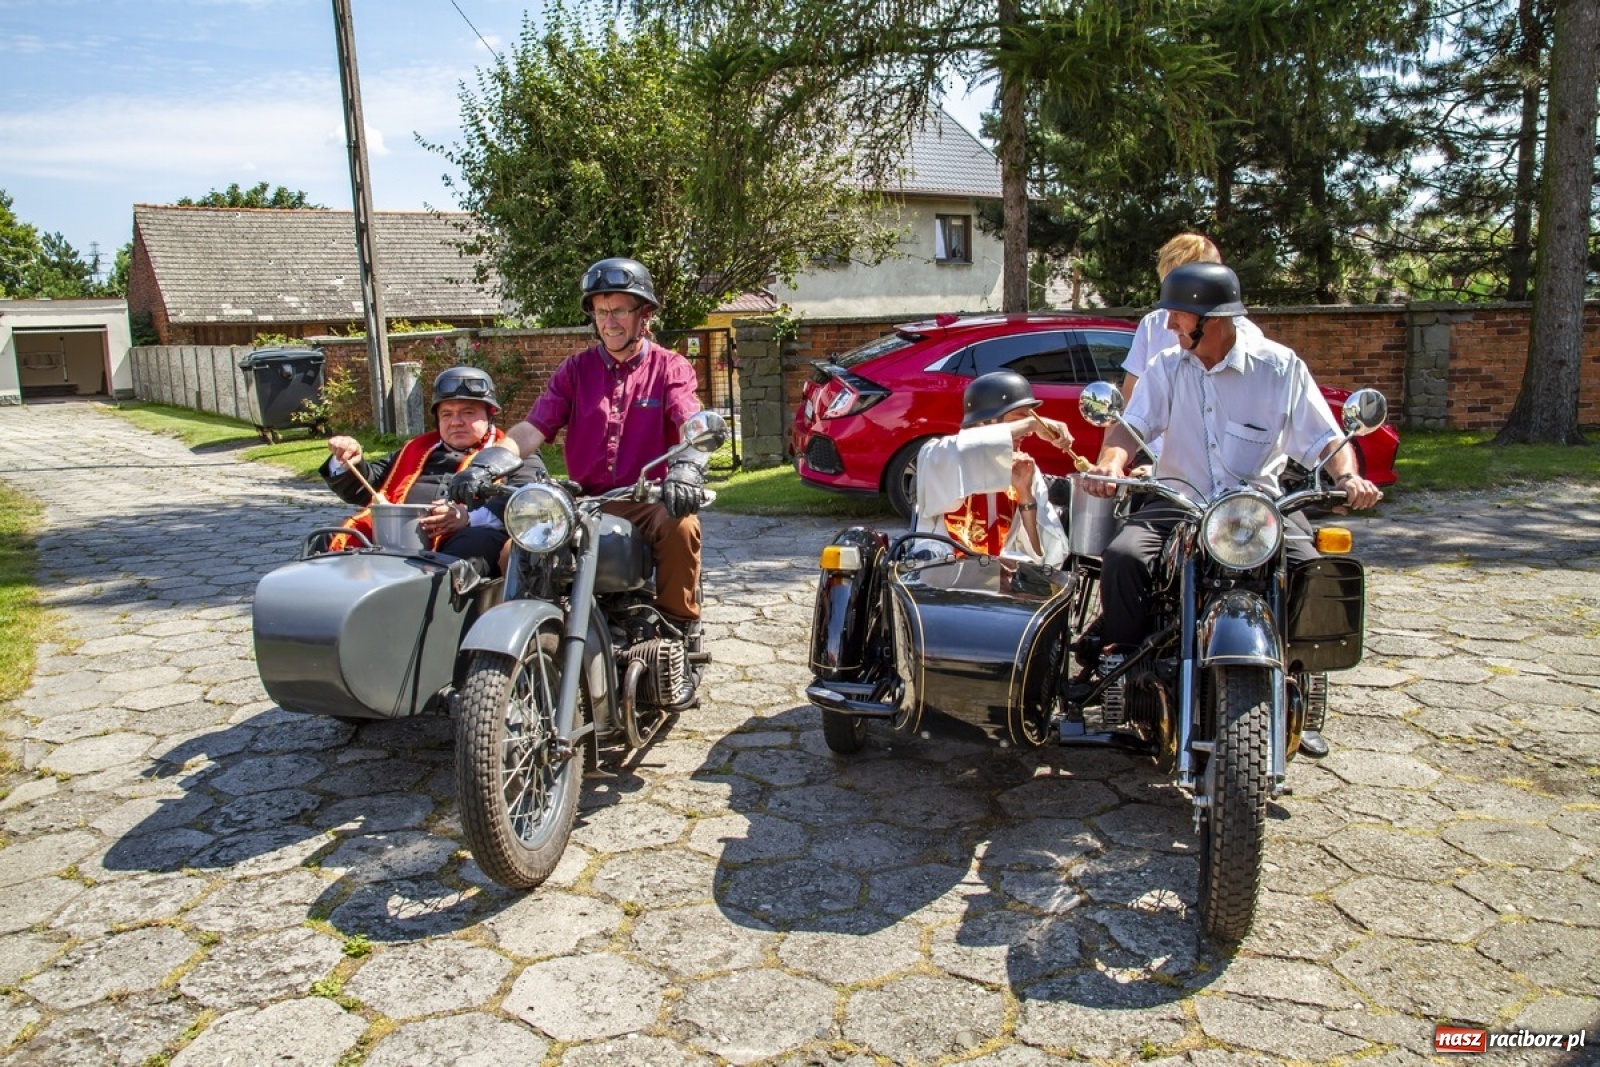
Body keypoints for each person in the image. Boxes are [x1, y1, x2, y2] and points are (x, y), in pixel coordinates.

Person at [1083, 263, 1382, 757]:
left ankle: (1296, 683)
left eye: (1179, 317)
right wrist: (1110, 465)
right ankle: (1131, 672)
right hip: (1179, 500)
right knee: (1124, 558)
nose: (1172, 326)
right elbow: (1130, 429)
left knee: (1314, 569)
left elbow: (1325, 439)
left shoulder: (1279, 367)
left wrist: (1347, 477)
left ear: (1212, 318)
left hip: (1256, 506)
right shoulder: (1166, 367)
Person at [465, 256, 707, 639]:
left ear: (644, 315)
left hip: (648, 500)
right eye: (600, 312)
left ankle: (677, 630)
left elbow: (691, 422)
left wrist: (688, 467)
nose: (609, 322)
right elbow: (532, 428)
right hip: (585, 502)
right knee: (518, 548)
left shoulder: (670, 367)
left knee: (682, 526)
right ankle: (524, 637)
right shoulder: (575, 371)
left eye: (619, 311)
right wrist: (486, 463)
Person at [322, 366, 527, 582]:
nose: (456, 422)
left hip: (463, 539)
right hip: (395, 536)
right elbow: (368, 487)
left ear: (490, 415)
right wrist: (346, 459)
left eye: (468, 412)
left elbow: (527, 500)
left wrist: (467, 518)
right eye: (447, 414)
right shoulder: (415, 450)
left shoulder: (513, 452)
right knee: (331, 536)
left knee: (475, 544)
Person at [912, 370, 1073, 566]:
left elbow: (1044, 554)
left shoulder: (1027, 469)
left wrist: (1024, 494)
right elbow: (967, 448)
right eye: (1018, 421)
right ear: (983, 422)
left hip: (1001, 583)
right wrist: (1031, 423)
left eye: (1026, 423)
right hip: (945, 576)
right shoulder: (938, 454)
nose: (1027, 432)